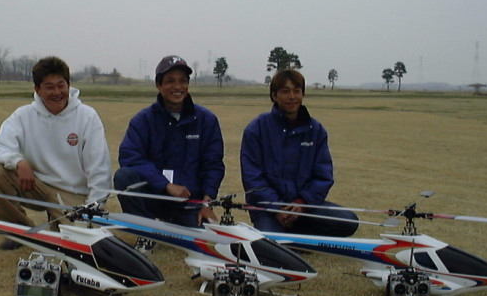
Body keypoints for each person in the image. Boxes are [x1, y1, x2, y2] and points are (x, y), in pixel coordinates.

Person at [0, 56, 112, 249]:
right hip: (36, 186)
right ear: (37, 89)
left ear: (69, 85)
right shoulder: (23, 116)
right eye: (49, 87)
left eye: (61, 85)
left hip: (72, 193)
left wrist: (93, 208)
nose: (57, 92)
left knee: (81, 244)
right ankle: (18, 231)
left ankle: (58, 222)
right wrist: (18, 162)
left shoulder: (87, 116)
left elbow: (99, 168)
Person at [113, 55, 225, 251]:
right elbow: (130, 157)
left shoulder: (206, 120)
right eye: (170, 81)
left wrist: (207, 202)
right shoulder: (143, 120)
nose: (177, 87)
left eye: (183, 81)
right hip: (153, 196)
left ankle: (175, 223)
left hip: (188, 200)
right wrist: (165, 185)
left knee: (197, 241)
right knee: (124, 177)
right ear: (159, 85)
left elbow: (213, 163)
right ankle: (147, 232)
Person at [240, 69, 358, 237]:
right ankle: (282, 234)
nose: (292, 97)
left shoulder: (316, 130)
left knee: (348, 221)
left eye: (297, 91)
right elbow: (252, 177)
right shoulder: (257, 129)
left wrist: (302, 202)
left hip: (304, 207)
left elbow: (323, 176)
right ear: (274, 96)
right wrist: (276, 207)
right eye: (285, 91)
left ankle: (297, 234)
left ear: (302, 94)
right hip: (268, 210)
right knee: (269, 243)